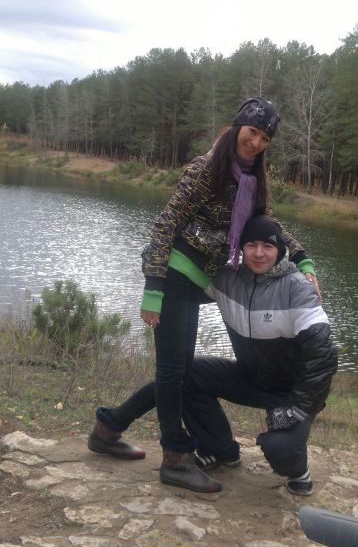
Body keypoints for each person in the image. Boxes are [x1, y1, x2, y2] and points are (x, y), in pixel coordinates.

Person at [88, 98, 320, 493]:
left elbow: (268, 225)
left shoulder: (252, 179)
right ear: (238, 127)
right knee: (173, 371)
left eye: (265, 138)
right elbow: (166, 224)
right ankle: (175, 459)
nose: (256, 142)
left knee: (177, 371)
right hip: (175, 273)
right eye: (252, 132)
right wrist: (153, 287)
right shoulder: (206, 168)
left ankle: (109, 429)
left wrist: (302, 259)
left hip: (200, 280)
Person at [182, 215, 338, 495]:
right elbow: (185, 281)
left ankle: (298, 470)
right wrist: (157, 274)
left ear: (280, 251)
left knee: (279, 447)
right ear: (241, 248)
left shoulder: (298, 287)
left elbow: (323, 357)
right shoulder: (228, 279)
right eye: (251, 245)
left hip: (289, 393)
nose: (258, 253)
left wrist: (298, 409)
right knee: (187, 374)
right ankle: (220, 450)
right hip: (249, 379)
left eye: (267, 246)